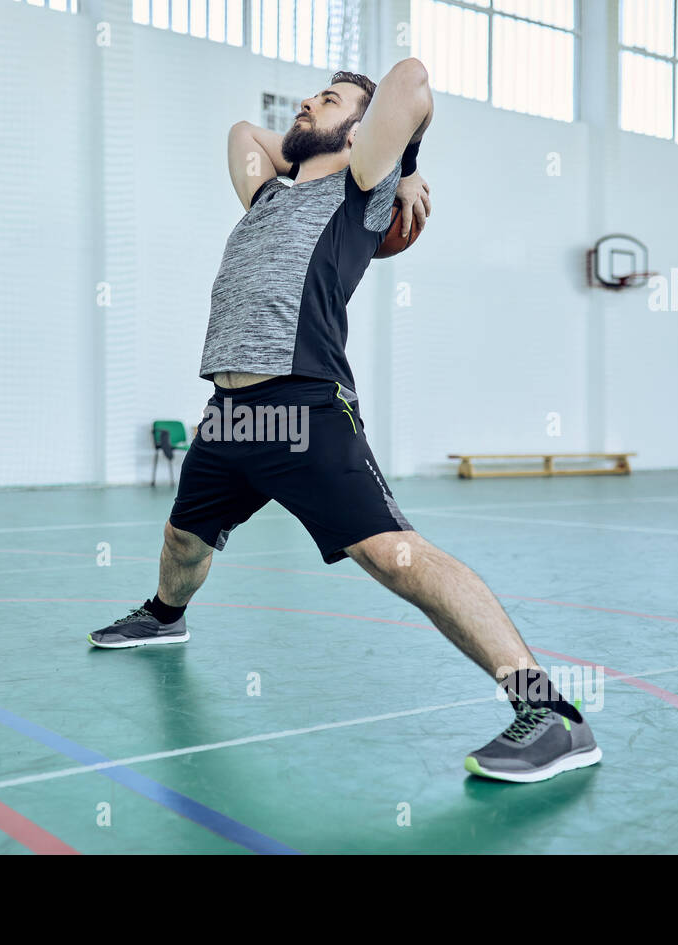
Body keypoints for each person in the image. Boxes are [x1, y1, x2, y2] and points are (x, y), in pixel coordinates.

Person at [88, 59, 601, 783]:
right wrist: (314, 126)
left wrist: (399, 160)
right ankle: (165, 619)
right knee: (182, 538)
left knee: (394, 556)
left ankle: (550, 714)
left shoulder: (360, 189)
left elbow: (413, 81)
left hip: (303, 407)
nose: (306, 103)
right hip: (230, 416)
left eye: (327, 99)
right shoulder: (266, 196)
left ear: (364, 131)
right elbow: (242, 132)